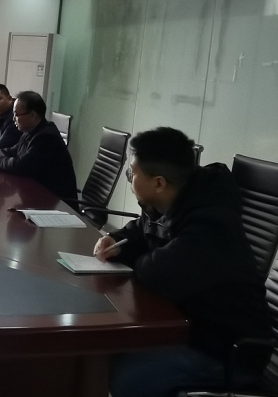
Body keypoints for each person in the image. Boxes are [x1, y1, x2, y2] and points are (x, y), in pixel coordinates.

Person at [93, 127, 271, 397]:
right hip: (191, 326)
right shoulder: (170, 200)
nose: (129, 178)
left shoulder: (211, 224)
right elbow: (142, 230)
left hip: (227, 351)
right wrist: (115, 240)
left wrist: (136, 256)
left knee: (125, 375)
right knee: (104, 352)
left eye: (132, 173)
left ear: (159, 183)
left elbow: (156, 273)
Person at [0, 90, 77, 199]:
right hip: (37, 195)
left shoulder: (47, 137)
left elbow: (21, 166)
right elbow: (12, 151)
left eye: (16, 115)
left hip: (56, 202)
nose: (13, 119)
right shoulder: (30, 132)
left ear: (33, 115)